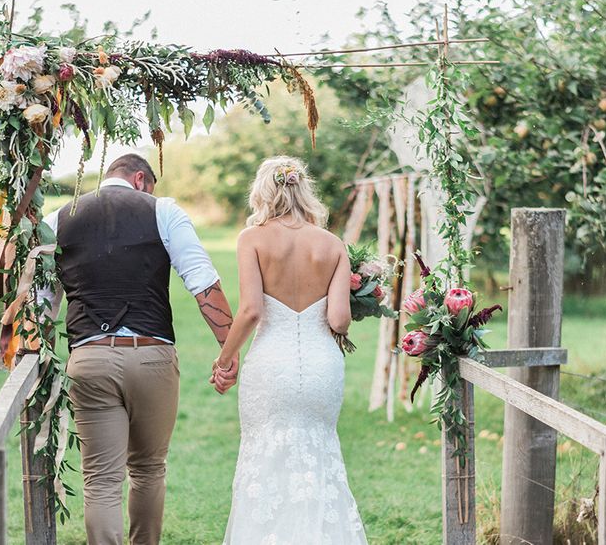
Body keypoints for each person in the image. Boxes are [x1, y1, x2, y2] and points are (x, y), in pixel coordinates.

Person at [42, 153, 238, 545]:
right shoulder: (162, 210)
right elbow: (203, 283)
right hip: (152, 356)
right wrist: (228, 352)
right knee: (148, 469)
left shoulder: (58, 219)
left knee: (101, 479)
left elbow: (42, 304)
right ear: (140, 180)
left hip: (89, 359)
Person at [212, 155, 368, 544]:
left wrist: (225, 358)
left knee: (265, 458)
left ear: (263, 192)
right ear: (304, 190)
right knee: (320, 455)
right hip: (320, 367)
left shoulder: (252, 238)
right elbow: (339, 321)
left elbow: (251, 310)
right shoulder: (332, 245)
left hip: (271, 365)